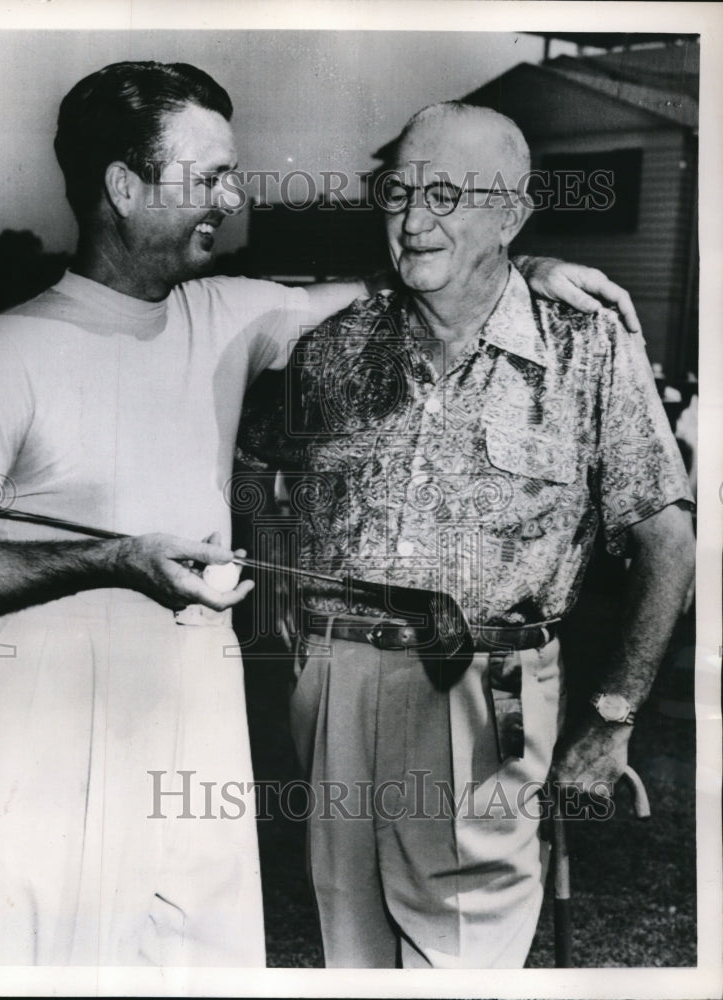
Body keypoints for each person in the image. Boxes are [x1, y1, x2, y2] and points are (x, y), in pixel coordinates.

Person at [0, 61, 642, 968]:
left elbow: (422, 275)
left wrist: (527, 260)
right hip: (33, 736)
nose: (234, 194)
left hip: (193, 729)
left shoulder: (232, 316)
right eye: (207, 175)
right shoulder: (0, 353)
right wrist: (110, 559)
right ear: (125, 188)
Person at [240, 101, 695, 968]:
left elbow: (667, 541)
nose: (412, 221)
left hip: (484, 691)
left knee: (466, 953)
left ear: (511, 214)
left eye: (445, 195)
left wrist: (610, 721)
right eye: (398, 192)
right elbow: (255, 468)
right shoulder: (332, 345)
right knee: (350, 947)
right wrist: (283, 611)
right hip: (334, 680)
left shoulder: (584, 346)